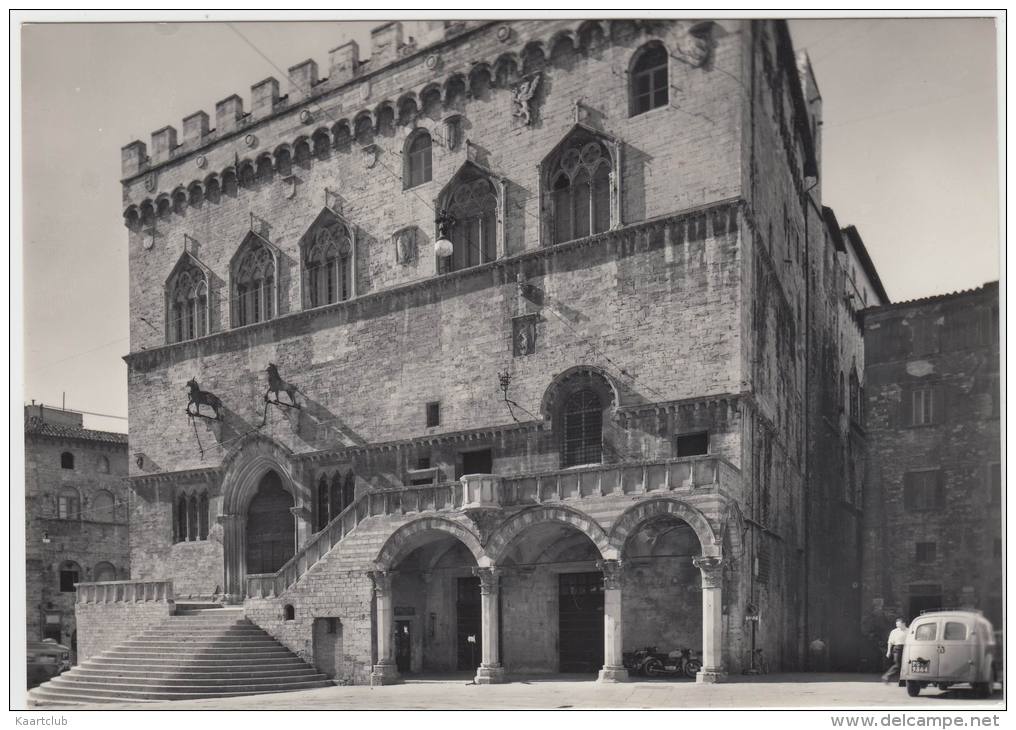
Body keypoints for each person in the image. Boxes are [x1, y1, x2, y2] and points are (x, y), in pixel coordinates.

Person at [882, 618, 908, 683]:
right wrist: (888, 651)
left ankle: (902, 681)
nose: (896, 625)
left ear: (903, 623)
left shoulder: (909, 630)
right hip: (897, 648)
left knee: (905, 665)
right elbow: (890, 642)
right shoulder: (894, 631)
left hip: (907, 648)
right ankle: (887, 676)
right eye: (896, 623)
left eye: (898, 623)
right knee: (898, 664)